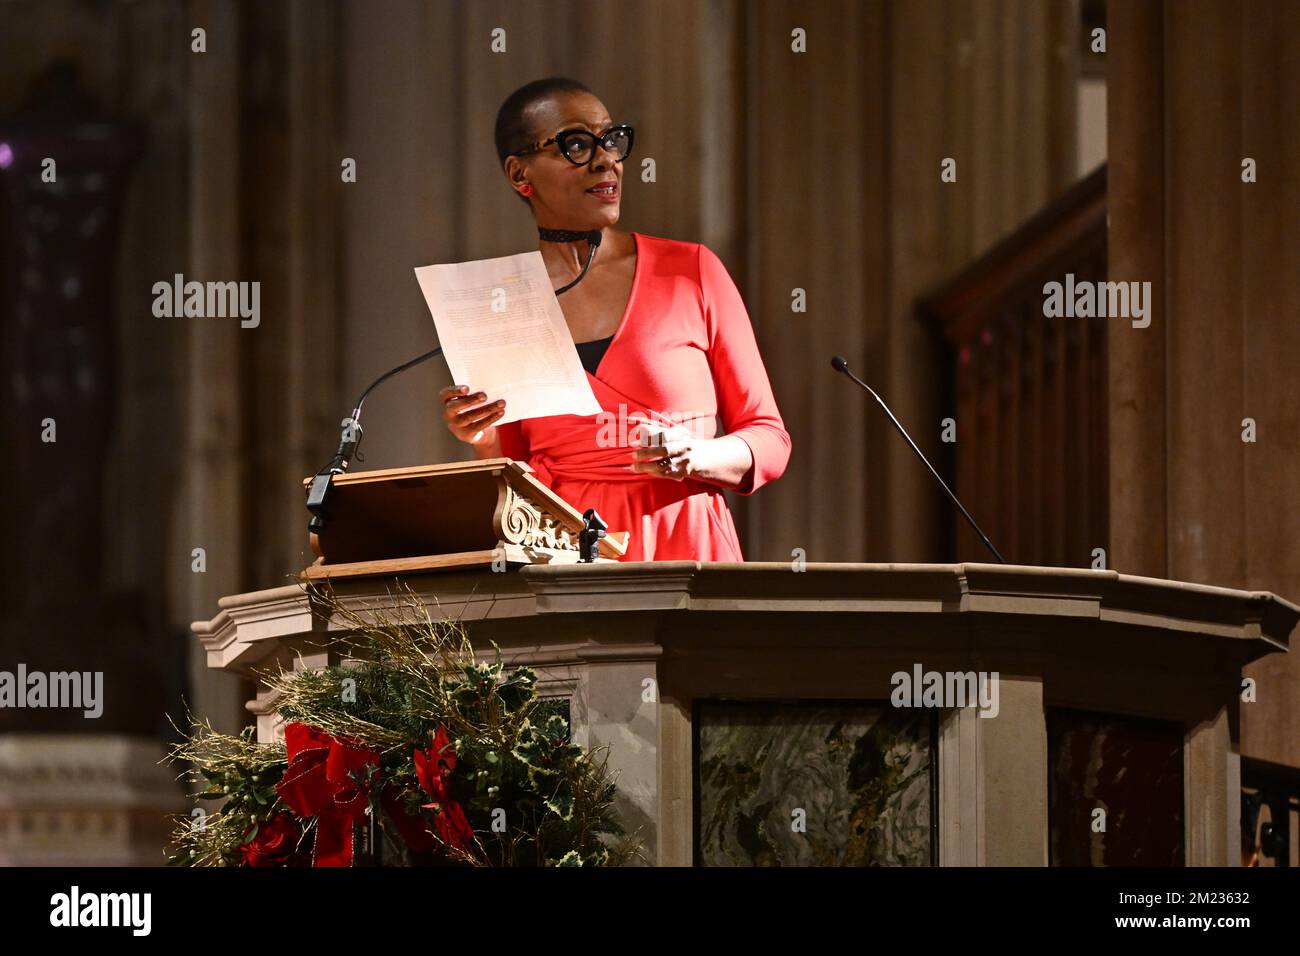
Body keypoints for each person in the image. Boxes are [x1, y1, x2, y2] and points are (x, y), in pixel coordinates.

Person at [440, 76, 790, 561]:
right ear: (520, 173)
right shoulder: (504, 303)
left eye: (611, 140)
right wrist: (483, 439)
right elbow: (516, 472)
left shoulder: (691, 271)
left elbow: (770, 438)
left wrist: (696, 455)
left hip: (686, 544)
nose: (606, 158)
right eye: (576, 144)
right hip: (564, 556)